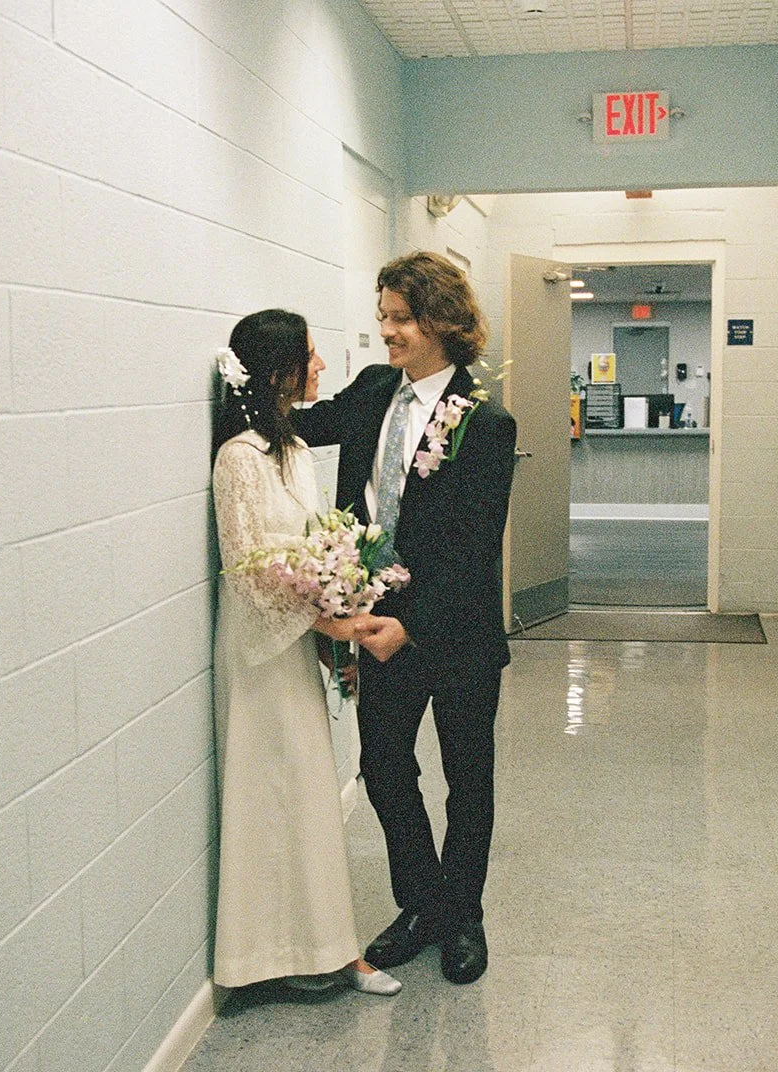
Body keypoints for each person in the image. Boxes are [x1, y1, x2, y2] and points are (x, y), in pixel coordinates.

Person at [294, 252, 517, 985]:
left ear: (443, 322)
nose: (385, 331)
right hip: (374, 624)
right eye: (383, 316)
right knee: (385, 768)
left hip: (454, 633)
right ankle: (421, 905)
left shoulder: (485, 421)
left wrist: (412, 626)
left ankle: (465, 916)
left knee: (467, 776)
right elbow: (304, 426)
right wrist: (245, 385)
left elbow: (473, 549)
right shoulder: (370, 391)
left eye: (400, 319)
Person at [211, 308, 401, 996]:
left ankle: (327, 948)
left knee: (311, 798)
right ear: (280, 371)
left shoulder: (291, 449)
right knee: (269, 799)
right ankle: (259, 962)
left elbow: (314, 553)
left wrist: (335, 626)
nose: (322, 367)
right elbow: (252, 570)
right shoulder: (238, 460)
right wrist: (338, 628)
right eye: (312, 356)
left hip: (301, 645)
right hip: (261, 653)